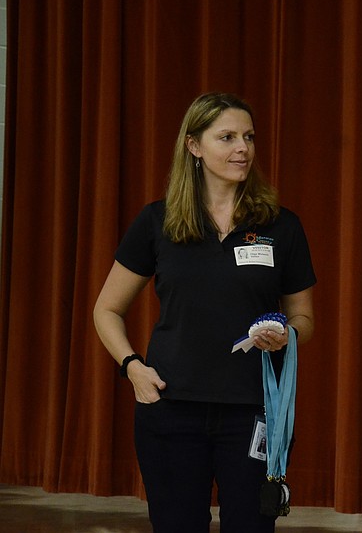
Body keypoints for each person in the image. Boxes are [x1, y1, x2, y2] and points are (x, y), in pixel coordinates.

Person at [93, 92, 316, 533]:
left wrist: (286, 336)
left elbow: (304, 320)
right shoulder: (158, 221)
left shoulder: (281, 226)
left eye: (249, 137)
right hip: (171, 408)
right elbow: (107, 309)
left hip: (254, 411)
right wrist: (133, 368)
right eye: (227, 137)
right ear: (193, 145)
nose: (242, 148)